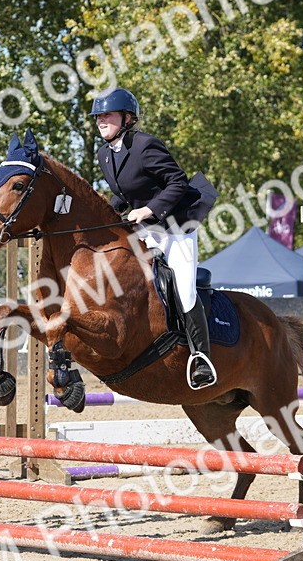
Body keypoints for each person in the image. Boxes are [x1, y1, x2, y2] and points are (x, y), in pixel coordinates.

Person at [91, 87, 218, 389]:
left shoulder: (146, 145)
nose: (101, 121)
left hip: (174, 226)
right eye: (98, 117)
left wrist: (149, 209)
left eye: (106, 115)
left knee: (184, 289)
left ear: (126, 117)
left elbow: (176, 182)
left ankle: (201, 357)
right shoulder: (104, 154)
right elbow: (124, 195)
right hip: (144, 229)